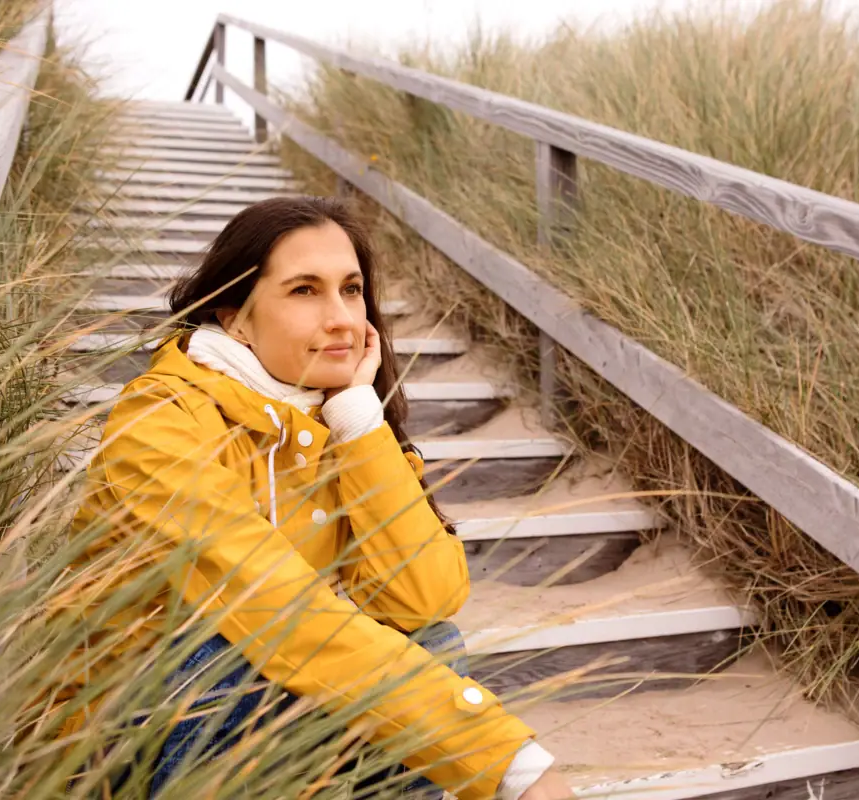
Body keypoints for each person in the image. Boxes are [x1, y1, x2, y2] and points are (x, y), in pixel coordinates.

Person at [59, 196, 576, 799]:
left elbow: (424, 596)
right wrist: (510, 763)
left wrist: (360, 421)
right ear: (235, 318)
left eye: (351, 290)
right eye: (305, 291)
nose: (343, 320)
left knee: (431, 642)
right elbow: (275, 614)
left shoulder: (332, 420)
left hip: (256, 711)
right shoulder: (162, 422)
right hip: (120, 742)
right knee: (237, 660)